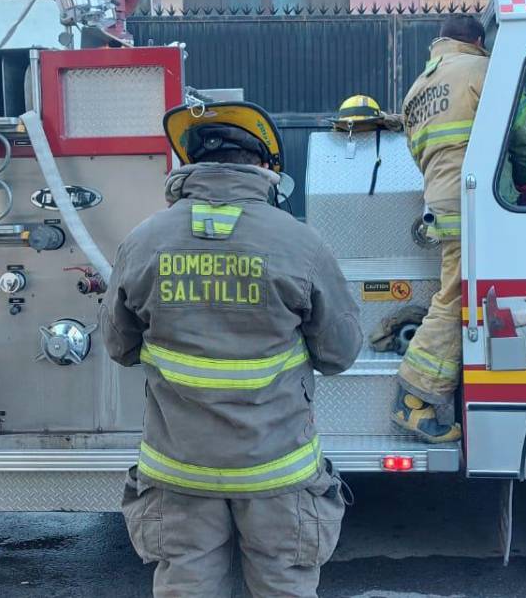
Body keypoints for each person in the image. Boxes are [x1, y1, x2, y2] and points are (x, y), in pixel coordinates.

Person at [104, 101, 364, 598]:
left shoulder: (142, 243)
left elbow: (119, 345)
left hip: (179, 471)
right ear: (265, 168)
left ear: (191, 164)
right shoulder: (300, 244)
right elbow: (340, 353)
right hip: (277, 471)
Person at [392, 14, 526, 443]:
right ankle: (414, 400)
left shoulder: (416, 91)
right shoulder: (482, 71)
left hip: (442, 203)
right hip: (478, 205)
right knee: (455, 296)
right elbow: (524, 132)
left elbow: (420, 155)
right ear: (476, 41)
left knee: (459, 290)